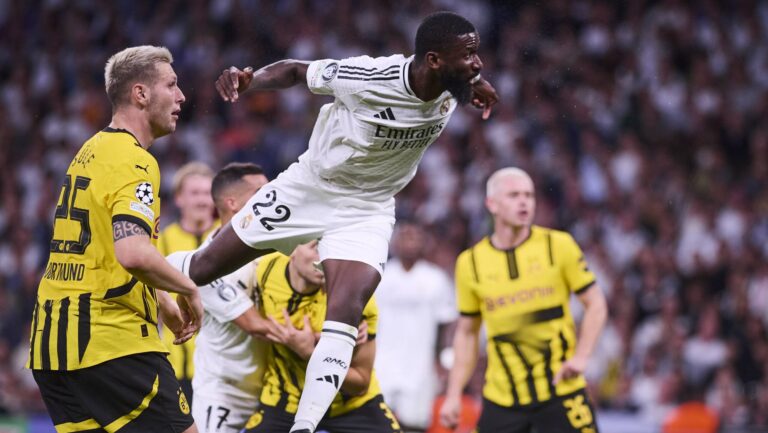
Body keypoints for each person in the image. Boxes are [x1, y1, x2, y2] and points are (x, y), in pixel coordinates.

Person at [167, 11, 498, 433]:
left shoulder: (455, 86)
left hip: (369, 208)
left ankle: (303, 427)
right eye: (469, 55)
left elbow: (469, 81)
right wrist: (250, 80)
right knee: (204, 268)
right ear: (433, 60)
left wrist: (475, 86)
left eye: (477, 55)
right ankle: (141, 274)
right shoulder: (370, 76)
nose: (478, 63)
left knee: (346, 310)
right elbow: (294, 71)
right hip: (310, 189)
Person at [27, 46, 203, 433]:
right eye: (171, 85)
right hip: (110, 342)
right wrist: (188, 290)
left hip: (53, 344)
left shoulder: (90, 151)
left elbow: (102, 249)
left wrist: (160, 302)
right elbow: (133, 253)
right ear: (140, 94)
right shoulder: (136, 161)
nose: (181, 96)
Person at [439, 167, 608, 433]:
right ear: (491, 204)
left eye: (529, 195)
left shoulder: (558, 246)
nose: (524, 202)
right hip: (503, 398)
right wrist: (453, 393)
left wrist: (582, 356)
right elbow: (467, 332)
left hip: (562, 389)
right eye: (514, 195)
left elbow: (596, 303)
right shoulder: (469, 263)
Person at [242, 241, 402, 433]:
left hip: (351, 407)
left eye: (332, 248)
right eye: (316, 248)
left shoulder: (356, 295)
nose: (326, 258)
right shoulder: (263, 270)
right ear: (291, 248)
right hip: (285, 401)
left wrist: (310, 352)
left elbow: (360, 383)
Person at [191, 162, 274, 433]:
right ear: (232, 203)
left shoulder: (279, 248)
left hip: (271, 388)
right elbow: (255, 326)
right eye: (261, 191)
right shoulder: (206, 266)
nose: (271, 197)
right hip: (223, 392)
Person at [374, 222, 457, 431]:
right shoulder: (381, 276)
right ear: (395, 242)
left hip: (420, 364)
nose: (410, 242)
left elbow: (445, 323)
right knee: (378, 421)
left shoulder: (435, 279)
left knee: (415, 424)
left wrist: (441, 360)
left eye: (415, 237)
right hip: (382, 361)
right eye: (405, 236)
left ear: (423, 243)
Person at [158, 161, 217, 403]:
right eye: (195, 193)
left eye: (207, 193)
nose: (202, 200)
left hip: (220, 368)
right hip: (174, 365)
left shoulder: (228, 239)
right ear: (179, 198)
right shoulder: (162, 241)